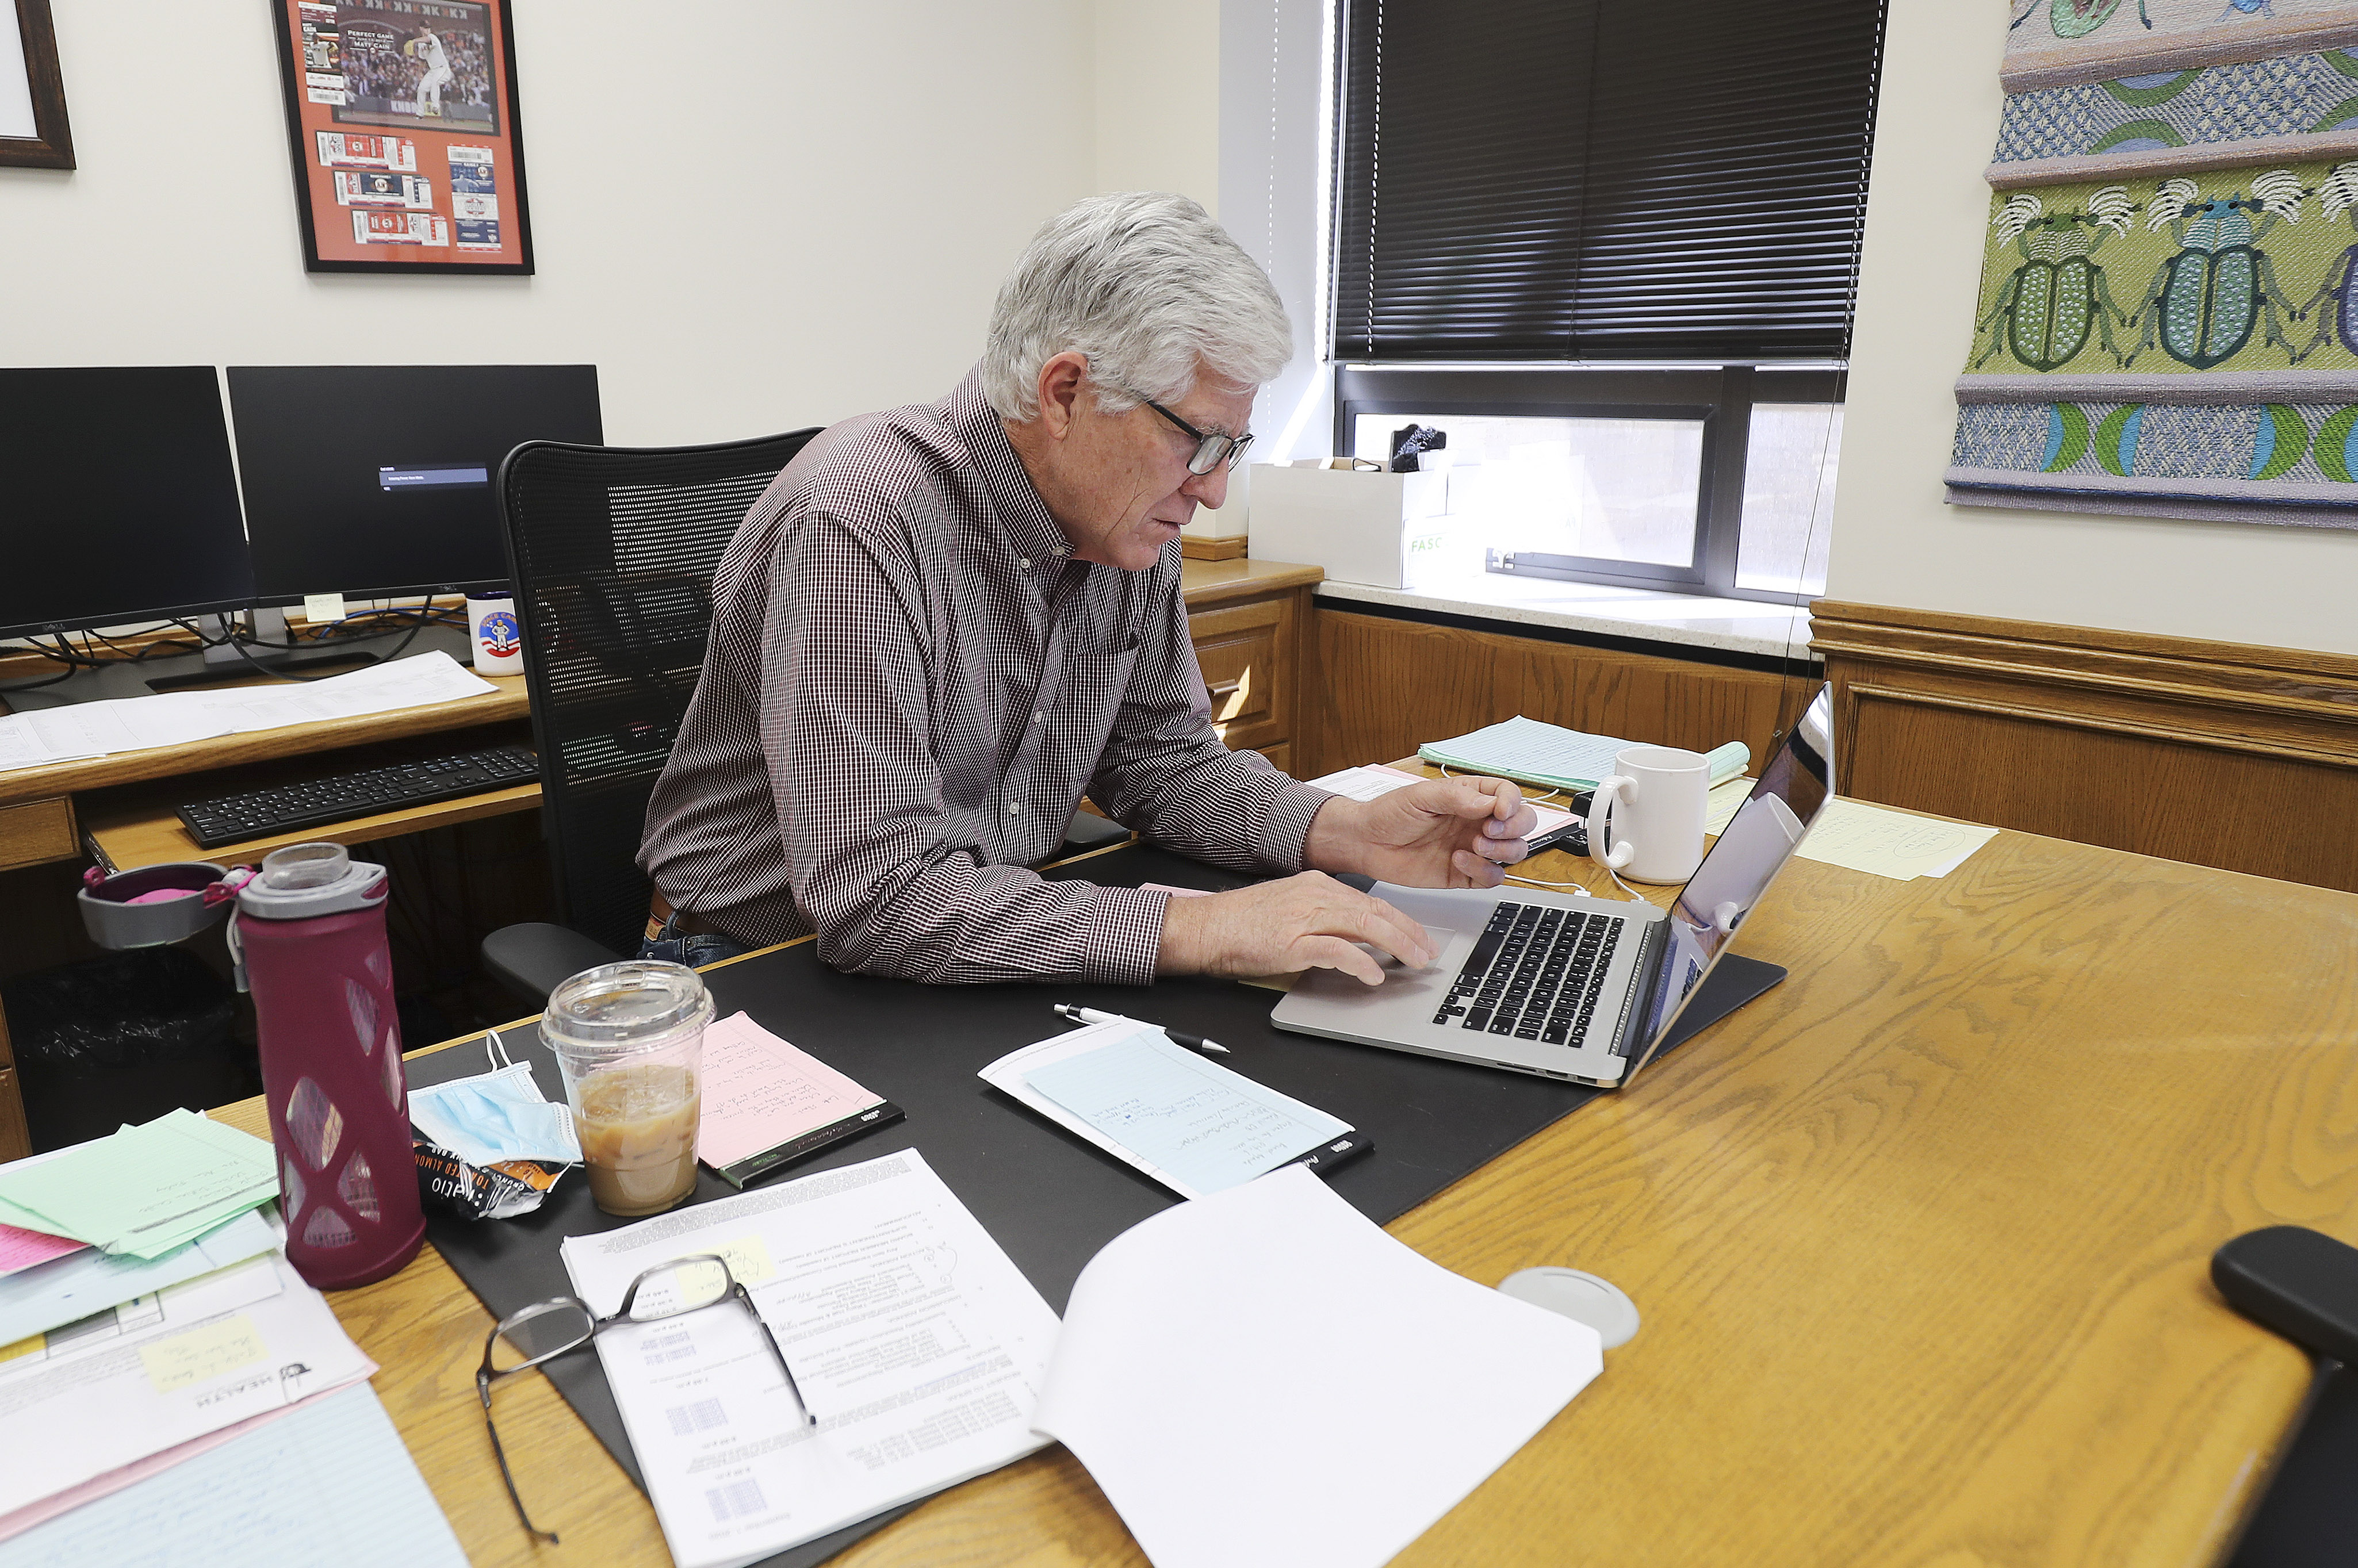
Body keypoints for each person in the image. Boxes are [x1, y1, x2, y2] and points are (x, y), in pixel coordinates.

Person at [637, 191, 1537, 983]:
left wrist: (1353, 830)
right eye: (1200, 441)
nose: (1214, 490)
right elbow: (878, 896)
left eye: (1234, 448)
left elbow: (1166, 764)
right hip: (754, 966)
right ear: (1065, 393)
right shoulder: (859, 521)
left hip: (971, 928)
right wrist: (1205, 927)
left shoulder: (1124, 526)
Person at [405, 23, 453, 118]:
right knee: (421, 89)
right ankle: (420, 114)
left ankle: (435, 106)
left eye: (429, 28)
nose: (428, 30)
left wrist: (414, 41)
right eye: (425, 28)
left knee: (435, 81)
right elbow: (423, 60)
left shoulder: (432, 37)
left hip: (443, 68)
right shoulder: (420, 44)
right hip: (433, 70)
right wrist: (419, 73)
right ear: (421, 29)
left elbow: (427, 40)